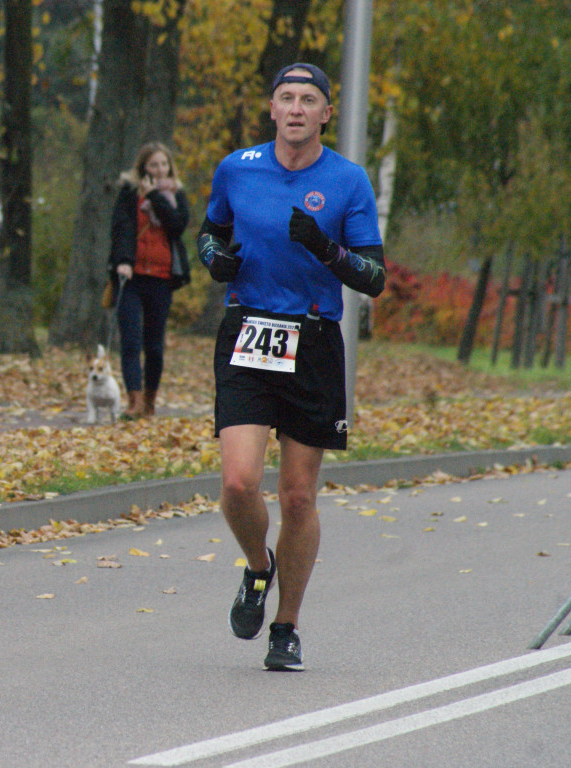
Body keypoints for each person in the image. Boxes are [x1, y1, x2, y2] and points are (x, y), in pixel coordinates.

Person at [197, 63, 385, 670]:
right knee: (238, 483)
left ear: (327, 112)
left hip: (313, 339)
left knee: (298, 498)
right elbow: (209, 232)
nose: (297, 108)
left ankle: (286, 627)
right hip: (248, 331)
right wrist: (216, 260)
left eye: (309, 99)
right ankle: (258, 568)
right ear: (272, 109)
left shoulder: (348, 181)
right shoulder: (238, 168)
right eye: (287, 98)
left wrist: (326, 249)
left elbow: (374, 276)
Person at [107, 141, 191, 419]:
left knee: (154, 346)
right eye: (153, 164)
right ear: (143, 167)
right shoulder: (129, 192)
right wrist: (123, 261)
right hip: (131, 277)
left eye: (163, 164)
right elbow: (120, 227)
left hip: (162, 278)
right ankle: (134, 402)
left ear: (169, 166)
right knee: (130, 341)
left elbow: (178, 225)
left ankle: (150, 401)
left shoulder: (176, 195)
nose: (159, 169)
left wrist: (155, 197)